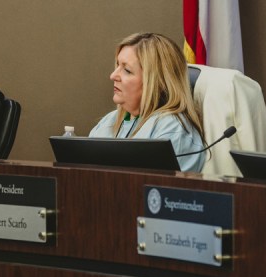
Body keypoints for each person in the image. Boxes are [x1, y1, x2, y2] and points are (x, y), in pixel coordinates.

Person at [89, 32, 207, 172]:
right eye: (117, 65)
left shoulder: (173, 131)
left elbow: (161, 191)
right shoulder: (109, 121)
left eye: (127, 70)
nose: (113, 75)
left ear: (158, 83)